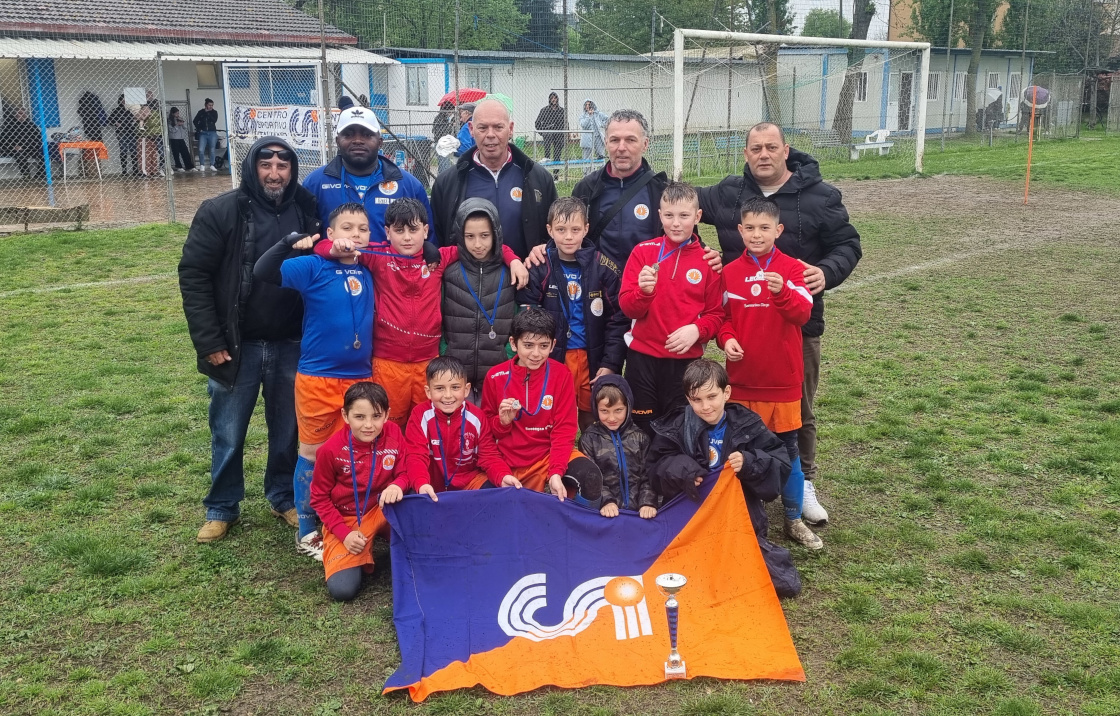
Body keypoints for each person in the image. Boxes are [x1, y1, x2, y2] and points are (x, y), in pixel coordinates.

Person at [698, 122, 862, 526]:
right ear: (746, 153)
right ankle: (746, 482)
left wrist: (826, 271)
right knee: (743, 414)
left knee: (798, 411)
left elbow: (848, 243)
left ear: (786, 151)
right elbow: (683, 209)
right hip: (745, 326)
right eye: (756, 148)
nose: (764, 154)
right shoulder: (728, 192)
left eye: (771, 147)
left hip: (796, 326)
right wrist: (701, 253)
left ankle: (803, 482)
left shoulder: (820, 196)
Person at [178, 137, 320, 543]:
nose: (274, 173)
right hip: (236, 344)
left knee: (288, 430)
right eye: (266, 164)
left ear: (292, 170)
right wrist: (209, 341)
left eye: (283, 165)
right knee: (228, 431)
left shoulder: (307, 209)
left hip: (292, 342)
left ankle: (283, 497)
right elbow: (194, 275)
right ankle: (222, 507)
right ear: (251, 167)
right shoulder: (222, 210)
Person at [320, 197, 526, 427]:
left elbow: (486, 246)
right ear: (387, 232)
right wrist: (333, 247)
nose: (407, 237)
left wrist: (513, 260)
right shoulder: (378, 257)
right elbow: (323, 248)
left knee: (428, 425)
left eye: (413, 230)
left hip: (428, 362)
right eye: (399, 231)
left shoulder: (439, 258)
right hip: (388, 362)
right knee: (389, 423)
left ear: (426, 230)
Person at [253, 202, 374, 561]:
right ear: (332, 234)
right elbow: (263, 271)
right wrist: (289, 243)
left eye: (363, 228)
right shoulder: (313, 266)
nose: (356, 234)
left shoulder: (371, 265)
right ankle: (307, 529)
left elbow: (410, 252)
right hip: (319, 378)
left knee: (352, 451)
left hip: (361, 378)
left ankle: (345, 517)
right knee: (312, 453)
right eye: (347, 228)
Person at [717, 197, 821, 550]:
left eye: (764, 228)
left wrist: (781, 293)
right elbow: (723, 319)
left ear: (778, 230)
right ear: (740, 230)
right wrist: (727, 339)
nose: (757, 234)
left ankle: (793, 519)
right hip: (743, 380)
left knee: (787, 451)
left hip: (782, 382)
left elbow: (802, 314)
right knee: (743, 452)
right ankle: (746, 517)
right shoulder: (730, 272)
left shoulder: (792, 269)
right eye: (750, 228)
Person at [647, 359, 801, 598]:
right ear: (688, 399)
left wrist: (749, 463)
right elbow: (655, 467)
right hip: (690, 519)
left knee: (783, 584)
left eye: (712, 397)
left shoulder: (747, 423)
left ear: (726, 392)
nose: (705, 406)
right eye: (697, 400)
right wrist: (683, 471)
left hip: (736, 517)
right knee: (673, 580)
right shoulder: (677, 425)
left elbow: (779, 466)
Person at [310, 382, 437, 601]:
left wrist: (398, 484)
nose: (368, 425)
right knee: (343, 590)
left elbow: (405, 470)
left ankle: (399, 542)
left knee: (425, 547)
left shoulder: (394, 432)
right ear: (345, 415)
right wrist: (344, 534)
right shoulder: (330, 450)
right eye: (359, 417)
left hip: (384, 508)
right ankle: (349, 547)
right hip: (348, 517)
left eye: (376, 416)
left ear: (387, 414)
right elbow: (319, 498)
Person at [618, 181, 723, 436]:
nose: (676, 223)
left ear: (697, 216)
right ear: (659, 215)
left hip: (685, 363)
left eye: (684, 216)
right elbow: (628, 309)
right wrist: (643, 293)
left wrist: (697, 330)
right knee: (641, 430)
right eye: (669, 215)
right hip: (642, 359)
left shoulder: (709, 261)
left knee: (680, 430)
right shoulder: (643, 253)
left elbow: (716, 315)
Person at [516, 196, 628, 430]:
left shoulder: (603, 268)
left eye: (575, 230)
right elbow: (526, 317)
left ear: (586, 229)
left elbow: (618, 320)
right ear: (549, 230)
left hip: (591, 357)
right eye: (561, 230)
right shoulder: (539, 267)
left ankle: (590, 449)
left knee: (591, 414)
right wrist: (536, 355)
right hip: (552, 357)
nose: (568, 236)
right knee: (551, 415)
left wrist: (610, 363)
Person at [431, 98, 558, 259]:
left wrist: (544, 251)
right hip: (466, 276)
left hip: (525, 274)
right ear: (471, 129)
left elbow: (556, 234)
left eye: (498, 127)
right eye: (482, 128)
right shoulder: (447, 183)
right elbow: (437, 243)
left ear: (510, 129)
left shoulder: (539, 179)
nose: (490, 135)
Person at [480, 308, 580, 499]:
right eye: (528, 345)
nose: (536, 354)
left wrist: (556, 471)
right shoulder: (495, 376)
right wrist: (502, 422)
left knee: (588, 477)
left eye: (543, 346)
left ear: (553, 345)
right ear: (513, 343)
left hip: (548, 457)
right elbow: (486, 435)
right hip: (508, 460)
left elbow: (564, 429)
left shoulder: (562, 374)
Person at [303, 106, 435, 245]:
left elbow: (428, 240)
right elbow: (304, 238)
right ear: (337, 141)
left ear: (380, 142)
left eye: (367, 135)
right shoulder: (314, 184)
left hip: (390, 260)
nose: (358, 140)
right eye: (348, 135)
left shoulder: (409, 185)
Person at [441, 198, 519, 405]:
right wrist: (444, 352)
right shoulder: (449, 273)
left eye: (485, 235)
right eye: (470, 236)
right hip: (455, 373)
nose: (477, 244)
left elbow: (518, 318)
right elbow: (437, 315)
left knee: (493, 422)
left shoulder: (510, 273)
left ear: (496, 234)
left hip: (497, 371)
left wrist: (507, 354)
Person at [403, 356, 516, 493]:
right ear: (428, 392)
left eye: (455, 387)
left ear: (466, 389)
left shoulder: (477, 417)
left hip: (469, 482)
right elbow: (415, 456)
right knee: (413, 492)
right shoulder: (420, 415)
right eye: (440, 388)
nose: (448, 395)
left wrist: (503, 476)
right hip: (429, 484)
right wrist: (421, 484)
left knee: (495, 490)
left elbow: (489, 456)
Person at [579, 374, 657, 519]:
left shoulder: (641, 437)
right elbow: (590, 477)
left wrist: (647, 502)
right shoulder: (589, 439)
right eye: (604, 411)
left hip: (639, 512)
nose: (612, 418)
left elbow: (649, 475)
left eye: (618, 410)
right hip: (605, 512)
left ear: (628, 407)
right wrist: (606, 501)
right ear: (595, 409)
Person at [1, 108, 45, 179]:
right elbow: (3, 139)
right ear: (15, 115)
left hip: (30, 148)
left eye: (24, 113)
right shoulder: (9, 126)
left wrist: (31, 146)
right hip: (15, 149)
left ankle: (40, 175)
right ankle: (26, 175)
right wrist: (13, 146)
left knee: (45, 155)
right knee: (20, 155)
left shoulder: (31, 125)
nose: (23, 115)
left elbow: (38, 138)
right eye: (20, 113)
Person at [108, 96, 139, 176]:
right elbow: (109, 120)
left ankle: (135, 170)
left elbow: (137, 117)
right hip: (121, 132)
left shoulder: (131, 110)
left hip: (132, 132)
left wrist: (135, 121)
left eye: (125, 100)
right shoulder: (116, 110)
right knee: (123, 151)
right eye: (122, 100)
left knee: (134, 151)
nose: (124, 102)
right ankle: (124, 171)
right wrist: (116, 123)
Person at [534, 92, 567, 162]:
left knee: (557, 154)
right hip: (548, 133)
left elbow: (566, 123)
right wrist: (542, 133)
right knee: (547, 153)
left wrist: (565, 133)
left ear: (557, 99)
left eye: (555, 98)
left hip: (558, 134)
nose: (553, 100)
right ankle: (547, 160)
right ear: (549, 99)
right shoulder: (544, 110)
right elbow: (537, 123)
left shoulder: (562, 110)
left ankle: (556, 167)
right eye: (552, 98)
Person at [577, 99, 608, 168]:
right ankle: (587, 172)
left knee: (601, 155)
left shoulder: (598, 114)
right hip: (587, 138)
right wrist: (589, 116)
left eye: (589, 104)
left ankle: (602, 171)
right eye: (586, 105)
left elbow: (607, 120)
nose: (588, 106)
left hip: (598, 137)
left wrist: (601, 124)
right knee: (587, 157)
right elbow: (584, 125)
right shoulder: (583, 116)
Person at [193, 98, 220, 171]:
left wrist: (208, 113)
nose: (211, 106)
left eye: (212, 105)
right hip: (203, 133)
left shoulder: (214, 112)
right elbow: (195, 121)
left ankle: (212, 165)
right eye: (209, 105)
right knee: (201, 149)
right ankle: (202, 165)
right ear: (206, 105)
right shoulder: (201, 112)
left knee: (212, 149)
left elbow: (214, 120)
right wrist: (199, 129)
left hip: (212, 132)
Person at [431, 101, 458, 174]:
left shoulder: (445, 118)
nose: (452, 113)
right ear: (447, 110)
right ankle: (443, 177)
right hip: (441, 144)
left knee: (445, 163)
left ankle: (442, 176)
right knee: (444, 164)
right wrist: (451, 125)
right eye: (451, 111)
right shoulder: (440, 119)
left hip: (443, 143)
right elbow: (440, 132)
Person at [167, 107, 196, 172]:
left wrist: (182, 122)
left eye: (178, 113)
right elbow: (172, 130)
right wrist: (177, 125)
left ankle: (189, 166)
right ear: (172, 113)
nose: (178, 114)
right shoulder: (170, 121)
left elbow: (185, 127)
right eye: (176, 113)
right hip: (174, 139)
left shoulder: (180, 118)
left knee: (185, 152)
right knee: (176, 153)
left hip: (181, 138)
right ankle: (178, 166)